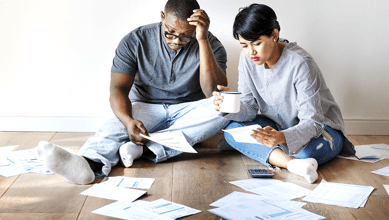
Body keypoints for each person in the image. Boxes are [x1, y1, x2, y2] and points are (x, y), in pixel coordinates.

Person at [36, 0, 230, 185]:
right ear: (162, 17)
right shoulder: (135, 40)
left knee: (226, 108)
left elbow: (213, 92)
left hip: (188, 111)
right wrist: (128, 120)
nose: (177, 41)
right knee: (113, 127)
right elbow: (118, 88)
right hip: (145, 107)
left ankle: (144, 149)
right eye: (170, 33)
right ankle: (87, 163)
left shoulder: (211, 44)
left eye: (186, 35)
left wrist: (201, 39)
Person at [213, 3, 355, 184]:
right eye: (244, 45)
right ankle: (294, 165)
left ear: (274, 35)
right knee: (231, 130)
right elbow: (249, 109)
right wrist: (227, 106)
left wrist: (281, 137)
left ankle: (273, 154)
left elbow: (313, 123)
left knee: (306, 152)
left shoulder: (300, 63)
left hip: (322, 130)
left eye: (257, 43)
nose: (251, 52)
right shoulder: (247, 59)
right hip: (279, 126)